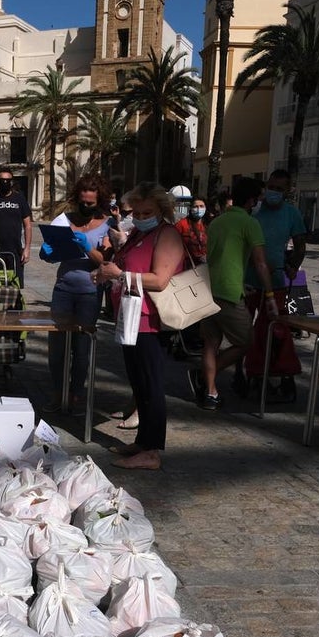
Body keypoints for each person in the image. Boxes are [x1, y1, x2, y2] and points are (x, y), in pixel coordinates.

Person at [94, 183, 187, 470]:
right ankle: (144, 441)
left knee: (151, 384)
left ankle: (152, 450)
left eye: (148, 211)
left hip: (151, 319)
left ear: (162, 210)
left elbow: (159, 279)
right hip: (132, 317)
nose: (142, 215)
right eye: (138, 211)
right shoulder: (139, 233)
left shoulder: (166, 234)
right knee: (139, 383)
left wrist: (120, 274)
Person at [198, 176, 275, 410]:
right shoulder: (250, 224)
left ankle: (210, 392)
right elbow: (260, 264)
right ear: (251, 200)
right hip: (230, 293)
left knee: (211, 343)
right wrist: (270, 296)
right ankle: (205, 376)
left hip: (208, 288)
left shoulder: (218, 222)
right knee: (245, 341)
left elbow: (221, 258)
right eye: (258, 199)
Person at [42, 173, 114, 413]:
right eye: (81, 202)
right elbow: (52, 254)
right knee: (57, 347)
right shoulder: (64, 219)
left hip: (90, 292)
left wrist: (86, 246)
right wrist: (48, 252)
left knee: (82, 348)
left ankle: (76, 394)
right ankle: (57, 391)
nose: (84, 206)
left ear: (99, 201)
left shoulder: (108, 224)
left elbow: (104, 261)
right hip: (63, 288)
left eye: (90, 203)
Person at [246, 169, 307, 397]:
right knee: (246, 331)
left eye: (279, 189)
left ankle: (284, 374)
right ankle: (252, 372)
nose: (273, 192)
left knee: (277, 330)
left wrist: (292, 266)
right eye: (271, 187)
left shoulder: (292, 214)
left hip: (276, 282)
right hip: (249, 281)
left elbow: (300, 245)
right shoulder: (254, 211)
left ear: (288, 191)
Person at [0, 167, 33, 286]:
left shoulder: (20, 199)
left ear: (12, 182)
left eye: (8, 180)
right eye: (2, 180)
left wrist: (27, 248)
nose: (5, 183)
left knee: (15, 288)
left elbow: (28, 225)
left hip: (15, 251)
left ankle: (13, 305)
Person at [175, 195, 208, 264]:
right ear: (190, 208)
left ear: (205, 208)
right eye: (195, 206)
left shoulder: (208, 225)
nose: (199, 209)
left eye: (201, 206)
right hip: (187, 266)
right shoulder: (182, 224)